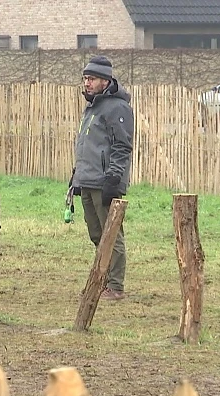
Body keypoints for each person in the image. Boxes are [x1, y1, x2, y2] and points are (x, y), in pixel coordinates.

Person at [69, 55, 134, 300]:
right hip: (88, 179)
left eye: (92, 79)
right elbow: (88, 145)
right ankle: (101, 280)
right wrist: (77, 178)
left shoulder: (118, 108)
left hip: (105, 181)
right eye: (85, 78)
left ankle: (115, 286)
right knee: (96, 234)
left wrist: (114, 178)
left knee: (112, 234)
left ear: (106, 81)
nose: (87, 83)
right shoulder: (92, 107)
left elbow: (121, 146)